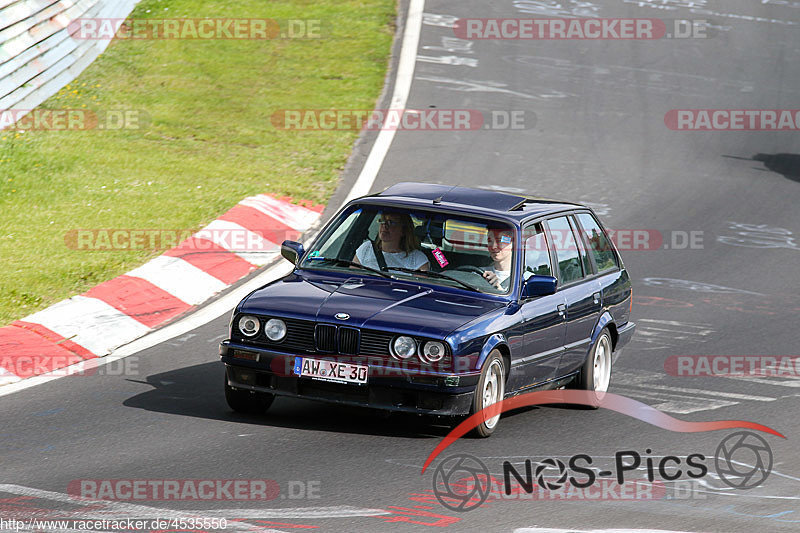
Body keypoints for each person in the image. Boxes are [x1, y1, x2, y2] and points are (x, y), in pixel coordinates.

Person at [353, 212, 430, 271]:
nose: (384, 225)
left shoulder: (418, 259)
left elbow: (418, 289)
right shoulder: (366, 248)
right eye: (382, 221)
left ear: (403, 231)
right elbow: (351, 279)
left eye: (391, 222)